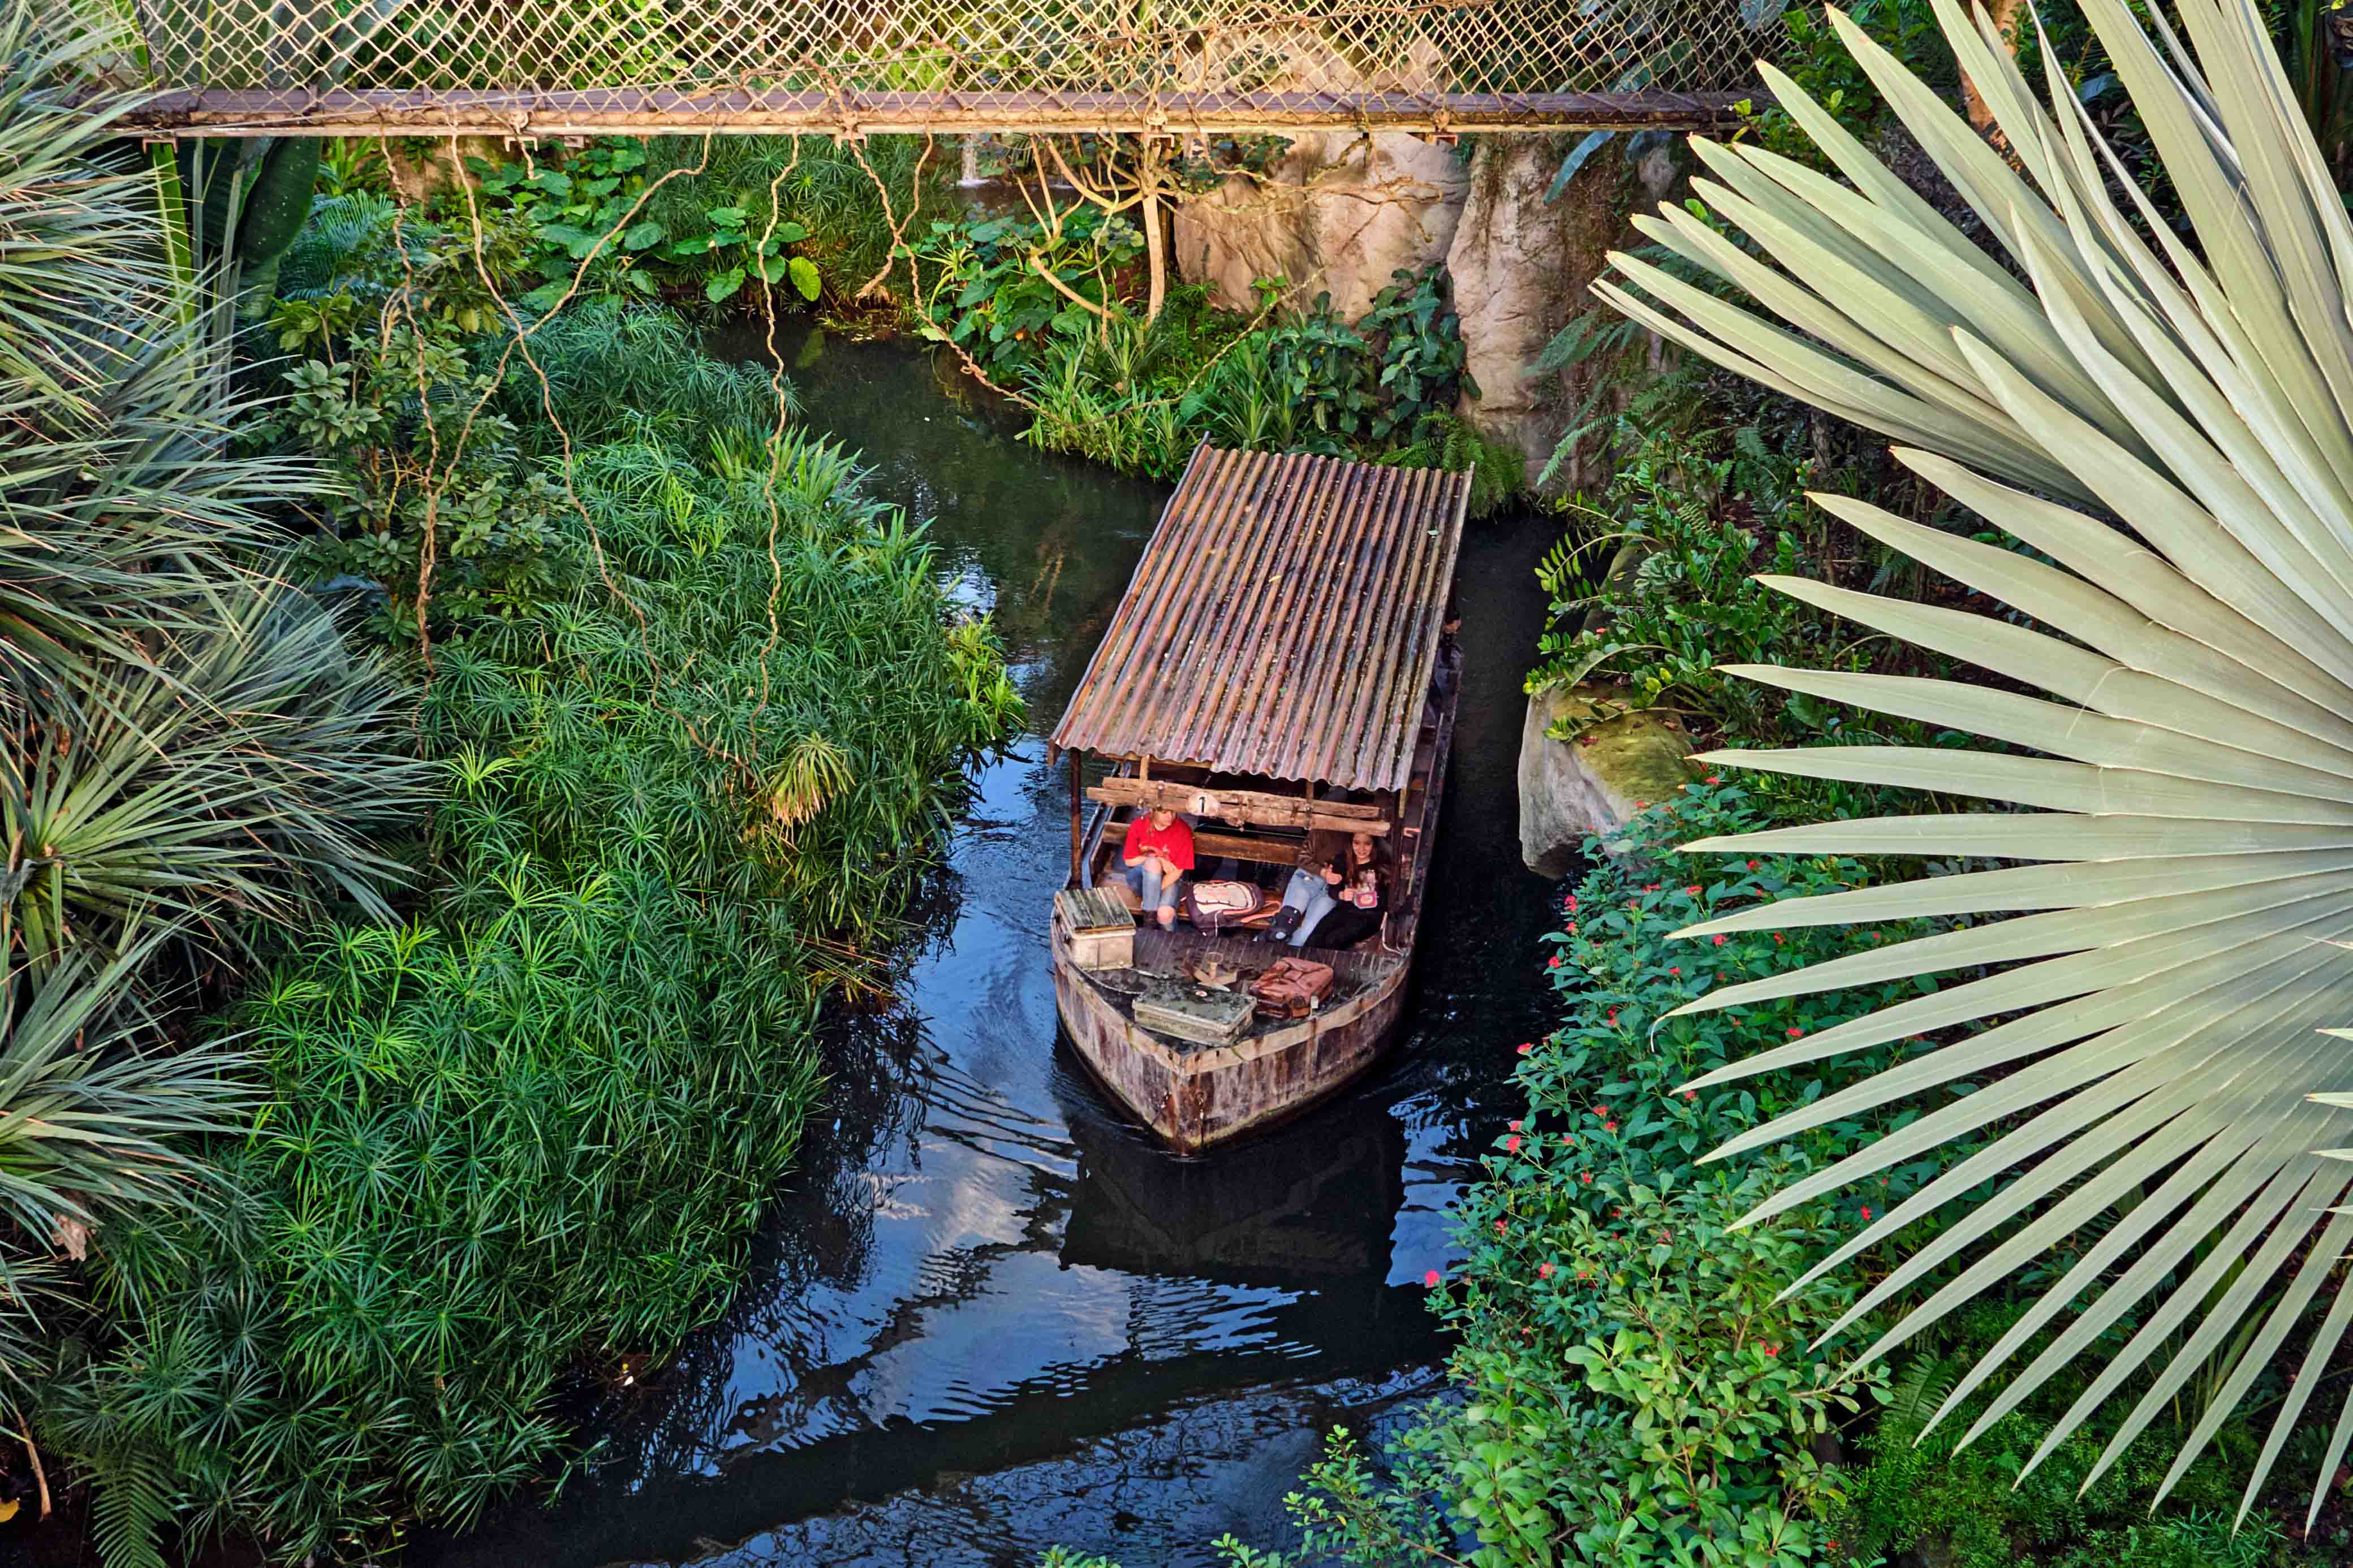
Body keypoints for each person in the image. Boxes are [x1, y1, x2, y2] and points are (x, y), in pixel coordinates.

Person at [1304, 831, 1388, 948]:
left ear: (1374, 845)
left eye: (1367, 844)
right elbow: (1333, 890)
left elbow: (1389, 898)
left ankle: (1325, 965)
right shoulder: (1343, 860)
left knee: (1334, 940)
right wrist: (1341, 895)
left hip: (1370, 916)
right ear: (1351, 843)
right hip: (1345, 910)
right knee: (1316, 937)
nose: (1362, 849)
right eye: (1357, 843)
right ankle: (1303, 965)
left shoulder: (1381, 864)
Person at [1121, 804, 1195, 930]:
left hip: (1169, 879)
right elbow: (1129, 861)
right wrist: (1160, 860)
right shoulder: (1139, 824)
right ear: (1152, 811)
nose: (1170, 817)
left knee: (1165, 915)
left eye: (1173, 812)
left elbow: (1177, 872)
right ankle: (1150, 922)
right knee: (1153, 863)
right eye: (1165, 812)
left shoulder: (1183, 831)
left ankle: (1155, 927)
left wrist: (1152, 893)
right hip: (1140, 880)